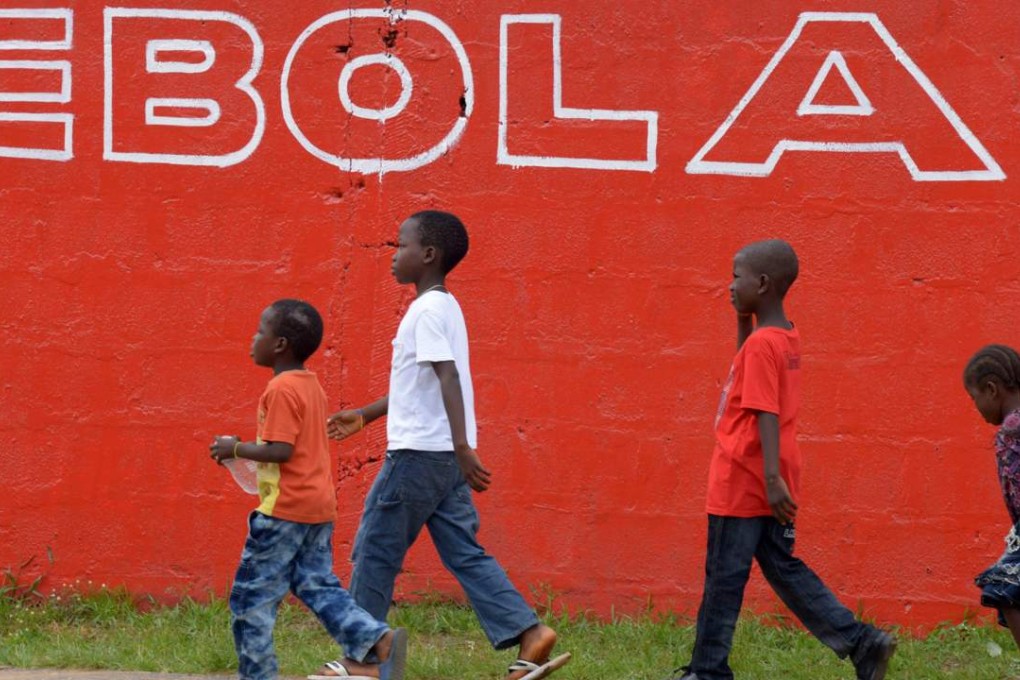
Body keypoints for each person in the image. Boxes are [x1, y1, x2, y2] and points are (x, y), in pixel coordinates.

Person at [314, 211, 566, 680]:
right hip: (443, 459)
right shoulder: (446, 307)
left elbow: (448, 377)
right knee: (463, 552)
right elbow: (422, 383)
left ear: (428, 254)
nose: (393, 255)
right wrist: (367, 415)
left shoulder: (426, 311)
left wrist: (464, 447)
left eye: (401, 245)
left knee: (374, 549)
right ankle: (530, 633)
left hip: (418, 456)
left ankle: (363, 658)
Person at [672, 240, 895, 680]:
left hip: (744, 476)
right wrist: (743, 321)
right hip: (773, 473)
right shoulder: (784, 336)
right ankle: (862, 643)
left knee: (723, 579)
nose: (729, 285)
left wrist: (770, 478)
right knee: (783, 568)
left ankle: (707, 671)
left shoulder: (762, 345)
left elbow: (764, 410)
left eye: (736, 277)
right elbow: (750, 373)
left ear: (762, 283)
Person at [209, 299, 407, 680]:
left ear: (280, 345)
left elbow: (280, 450)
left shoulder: (280, 389)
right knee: (316, 585)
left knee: (251, 600)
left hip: (284, 512)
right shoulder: (310, 385)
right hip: (318, 509)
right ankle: (376, 641)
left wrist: (234, 448)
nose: (253, 338)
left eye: (260, 331)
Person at [963, 344, 1020, 648]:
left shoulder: (1011, 431)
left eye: (974, 398)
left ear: (991, 389)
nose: (976, 407)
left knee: (1004, 587)